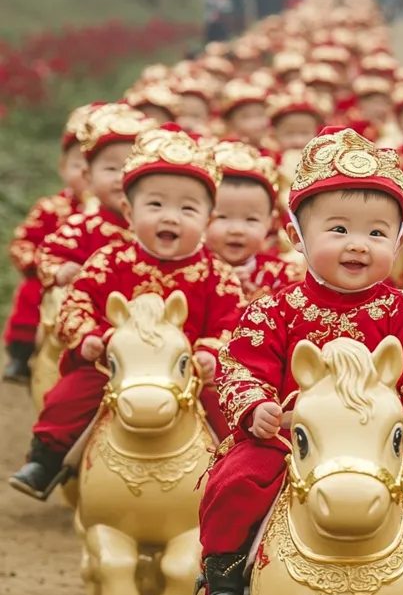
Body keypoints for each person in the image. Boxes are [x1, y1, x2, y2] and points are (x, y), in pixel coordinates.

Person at [194, 126, 403, 595]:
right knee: (235, 480)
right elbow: (240, 367)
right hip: (291, 440)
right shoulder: (274, 308)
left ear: (399, 242)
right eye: (338, 230)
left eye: (377, 233)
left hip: (385, 443)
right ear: (296, 236)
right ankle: (225, 584)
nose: (358, 245)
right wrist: (255, 408)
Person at [9, 124, 244, 500]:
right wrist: (87, 335)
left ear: (208, 219)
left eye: (187, 208)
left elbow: (233, 319)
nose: (170, 217)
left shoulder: (216, 274)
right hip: (113, 364)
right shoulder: (110, 260)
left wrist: (211, 350)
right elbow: (78, 300)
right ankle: (47, 458)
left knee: (224, 413)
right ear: (129, 212)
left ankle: (229, 481)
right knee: (69, 395)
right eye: (155, 205)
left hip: (188, 376)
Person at [2, 105, 92, 382]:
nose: (86, 174)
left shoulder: (117, 215)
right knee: (31, 294)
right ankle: (20, 354)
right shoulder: (52, 207)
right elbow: (23, 242)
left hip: (92, 279)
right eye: (79, 166)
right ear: (63, 168)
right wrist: (39, 265)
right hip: (51, 276)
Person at [35, 103, 155, 292]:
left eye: (131, 168)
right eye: (110, 169)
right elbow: (49, 253)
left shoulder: (158, 225)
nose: (121, 178)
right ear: (88, 176)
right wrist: (60, 270)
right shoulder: (81, 227)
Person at [206, 140, 304, 301]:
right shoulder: (192, 273)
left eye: (251, 219)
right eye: (222, 217)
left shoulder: (285, 276)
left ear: (270, 222)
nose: (237, 229)